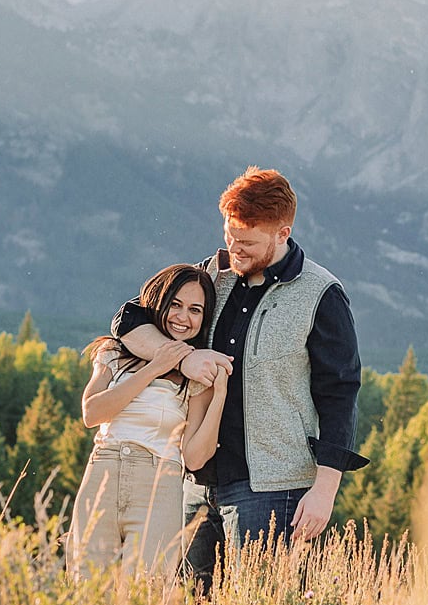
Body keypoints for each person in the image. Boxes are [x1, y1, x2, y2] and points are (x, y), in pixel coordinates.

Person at [111, 166, 366, 581]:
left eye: (247, 242)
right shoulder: (211, 273)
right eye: (230, 236)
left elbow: (340, 394)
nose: (234, 250)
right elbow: (129, 318)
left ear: (283, 233)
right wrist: (180, 358)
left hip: (272, 488)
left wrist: (324, 491)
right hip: (195, 481)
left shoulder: (321, 294)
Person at [66, 263, 231, 579]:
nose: (183, 317)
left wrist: (219, 394)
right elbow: (93, 413)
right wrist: (156, 366)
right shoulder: (115, 352)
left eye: (195, 310)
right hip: (104, 471)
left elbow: (195, 457)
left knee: (145, 592)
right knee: (86, 587)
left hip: (160, 482)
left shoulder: (196, 378)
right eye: (176, 305)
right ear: (158, 302)